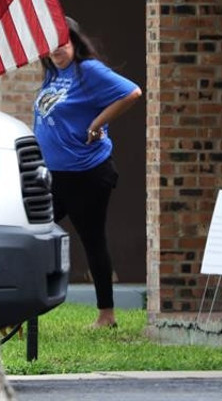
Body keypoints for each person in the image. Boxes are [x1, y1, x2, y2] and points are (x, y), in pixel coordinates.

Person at [33, 17, 142, 329]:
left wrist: (97, 123)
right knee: (32, 234)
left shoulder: (87, 70)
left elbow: (132, 92)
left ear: (74, 41)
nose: (57, 49)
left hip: (86, 173)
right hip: (54, 174)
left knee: (92, 240)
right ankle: (19, 308)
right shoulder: (53, 73)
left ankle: (106, 315)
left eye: (62, 42)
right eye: (51, 44)